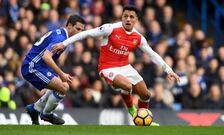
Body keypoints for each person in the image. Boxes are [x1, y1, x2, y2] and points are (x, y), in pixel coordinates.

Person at [51, 6, 180, 125]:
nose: (128, 19)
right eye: (125, 16)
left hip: (125, 66)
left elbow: (152, 54)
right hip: (107, 68)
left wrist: (168, 70)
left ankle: (144, 121)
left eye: (131, 17)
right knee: (127, 85)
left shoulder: (138, 37)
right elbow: (87, 33)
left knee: (146, 95)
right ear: (122, 17)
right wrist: (64, 43)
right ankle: (132, 112)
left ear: (136, 20)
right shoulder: (110, 28)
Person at [21, 15, 85, 125]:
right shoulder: (61, 38)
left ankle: (35, 109)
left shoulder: (62, 35)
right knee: (63, 87)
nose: (79, 33)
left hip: (40, 65)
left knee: (62, 86)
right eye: (78, 29)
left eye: (82, 30)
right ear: (69, 26)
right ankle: (46, 114)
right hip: (32, 66)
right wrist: (61, 73)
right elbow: (46, 56)